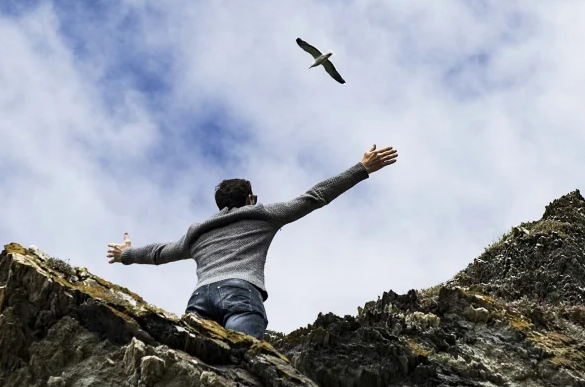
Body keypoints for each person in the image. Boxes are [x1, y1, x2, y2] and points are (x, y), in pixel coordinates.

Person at [107, 143, 398, 340]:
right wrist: (361, 169)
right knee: (240, 356)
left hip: (199, 298)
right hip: (240, 292)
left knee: (194, 356)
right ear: (249, 199)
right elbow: (314, 197)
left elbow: (159, 253)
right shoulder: (261, 215)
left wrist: (127, 254)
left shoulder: (197, 233)